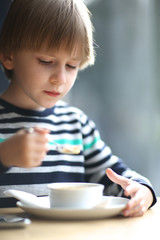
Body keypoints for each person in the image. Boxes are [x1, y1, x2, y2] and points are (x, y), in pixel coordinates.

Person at [0, 0, 156, 216]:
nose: (60, 78)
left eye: (72, 65)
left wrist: (142, 191)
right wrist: (3, 156)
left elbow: (114, 176)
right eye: (46, 61)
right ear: (9, 56)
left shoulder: (76, 124)